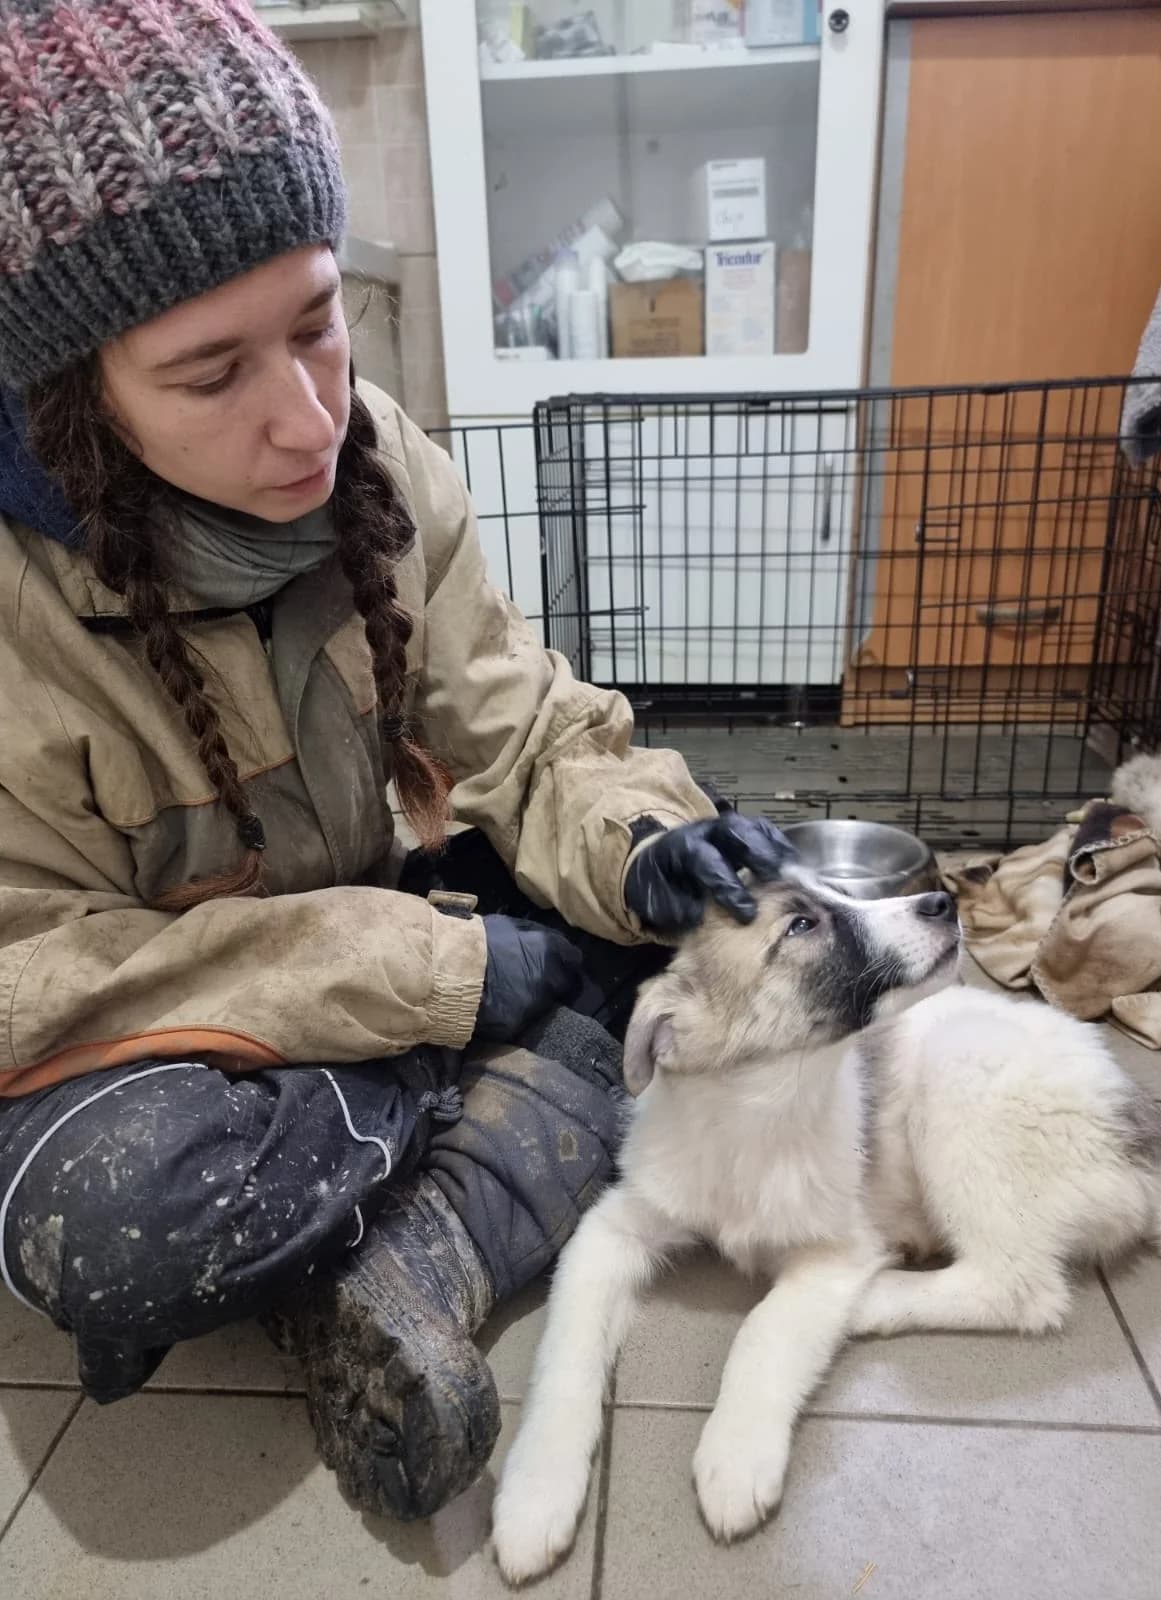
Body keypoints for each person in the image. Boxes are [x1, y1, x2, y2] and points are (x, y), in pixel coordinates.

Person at [0, 0, 793, 1522]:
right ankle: (459, 1149)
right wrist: (441, 979)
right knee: (112, 1225)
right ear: (68, 394)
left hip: (367, 943)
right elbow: (29, 962)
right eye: (209, 371)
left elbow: (515, 716)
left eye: (316, 318)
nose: (306, 418)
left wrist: (639, 842)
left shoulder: (377, 458)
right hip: (161, 1033)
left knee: (676, 944)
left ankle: (401, 1261)